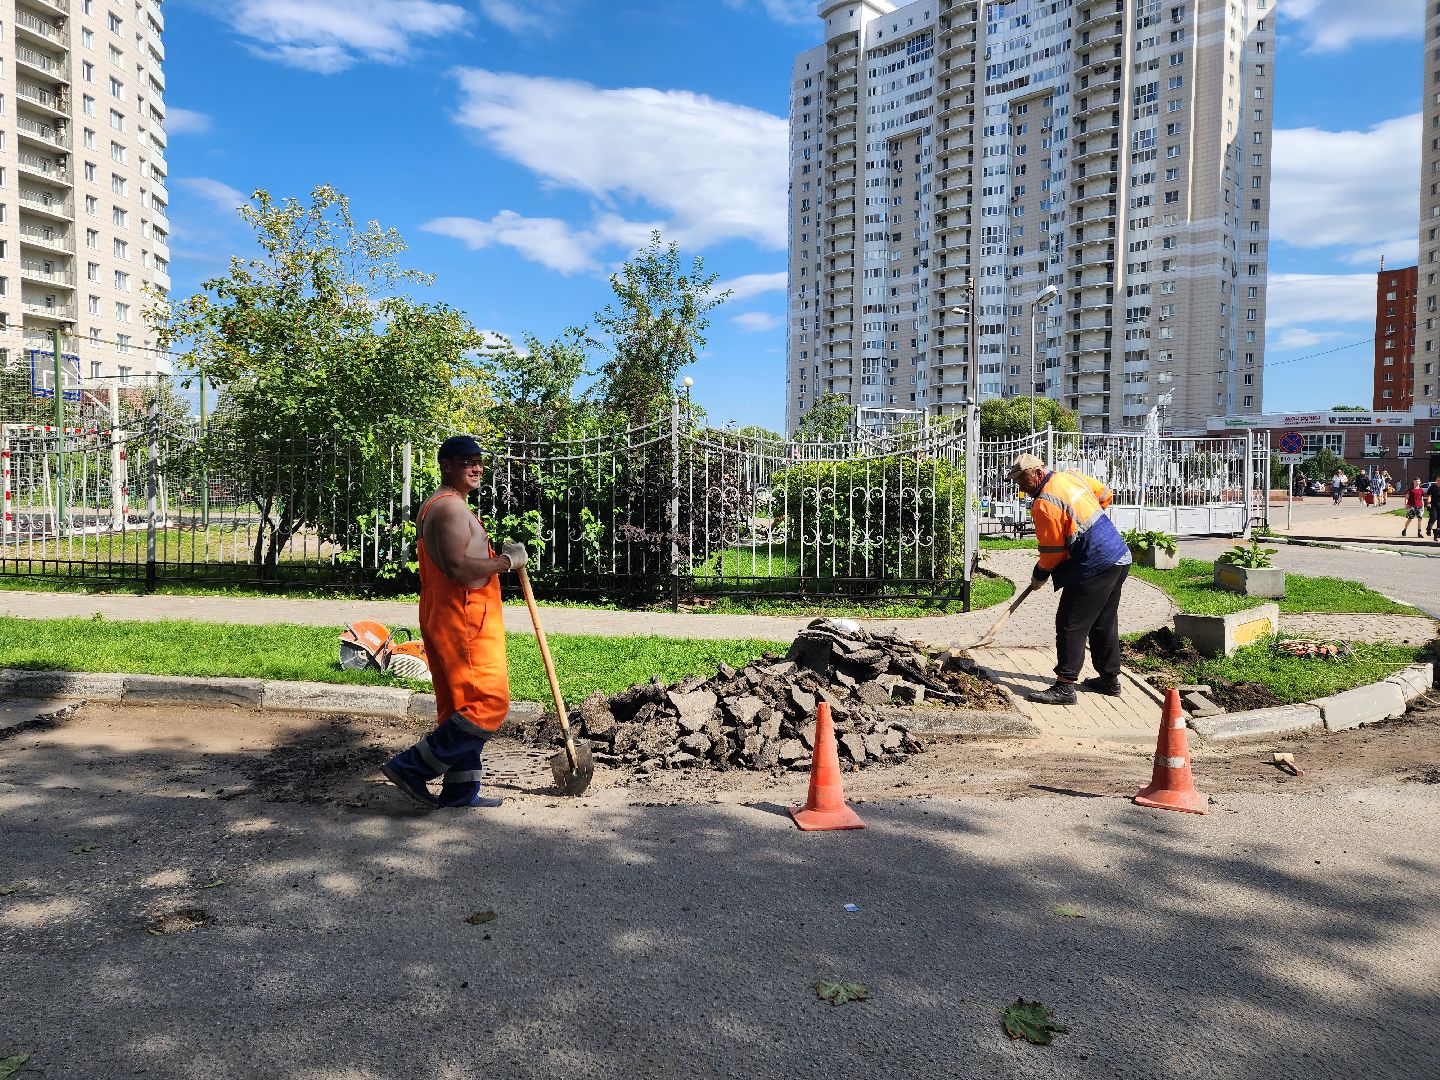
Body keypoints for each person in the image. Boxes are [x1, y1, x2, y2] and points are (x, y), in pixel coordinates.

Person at [382, 435, 528, 810]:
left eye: (479, 460)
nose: (476, 467)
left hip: (450, 613)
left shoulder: (444, 504)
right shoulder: (449, 508)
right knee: (489, 703)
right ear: (446, 466)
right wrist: (506, 562)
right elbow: (459, 568)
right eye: (466, 461)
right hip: (464, 618)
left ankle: (460, 793)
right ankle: (411, 768)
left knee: (461, 707)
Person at [1008, 453, 1132, 705]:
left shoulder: (1044, 503)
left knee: (1070, 623)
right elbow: (1105, 495)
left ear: (1038, 473)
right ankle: (1109, 680)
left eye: (1023, 480)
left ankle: (1065, 687)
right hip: (1118, 555)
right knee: (1103, 622)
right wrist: (1082, 526)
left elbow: (1053, 552)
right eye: (1017, 482)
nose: (1021, 487)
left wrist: (1040, 574)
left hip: (1094, 563)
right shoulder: (1071, 476)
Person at [1428, 476, 1440, 543]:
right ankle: (1429, 529)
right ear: (1436, 480)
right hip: (1434, 505)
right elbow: (1429, 496)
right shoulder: (1432, 487)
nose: (1439, 481)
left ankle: (1436, 535)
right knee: (1433, 517)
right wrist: (1428, 503)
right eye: (1438, 480)